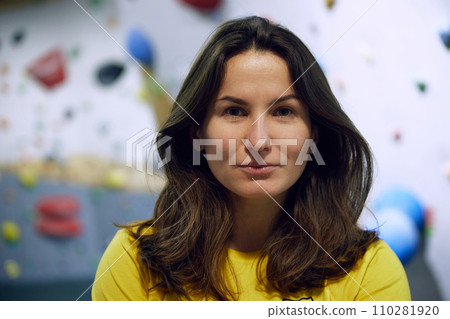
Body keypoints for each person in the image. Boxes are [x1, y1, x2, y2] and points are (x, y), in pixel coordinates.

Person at [92, 16, 411, 301]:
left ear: (314, 134)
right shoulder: (132, 262)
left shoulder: (370, 271)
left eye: (284, 111)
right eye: (234, 111)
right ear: (197, 134)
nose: (258, 141)